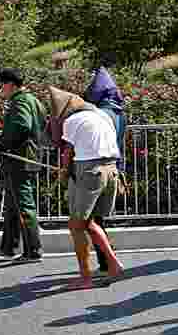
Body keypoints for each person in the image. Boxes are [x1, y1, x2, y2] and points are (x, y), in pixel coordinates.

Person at [48, 87, 124, 289]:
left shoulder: (71, 122)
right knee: (88, 221)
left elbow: (68, 152)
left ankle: (85, 278)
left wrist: (63, 172)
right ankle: (114, 264)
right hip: (111, 170)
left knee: (75, 225)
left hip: (89, 171)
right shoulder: (101, 115)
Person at [0, 69, 46, 262]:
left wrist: (2, 144)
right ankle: (9, 247)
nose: (0, 90)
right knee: (13, 204)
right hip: (27, 157)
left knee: (23, 204)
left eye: (1, 85)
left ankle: (33, 250)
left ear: (10, 84)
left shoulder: (21, 101)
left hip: (19, 159)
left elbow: (22, 126)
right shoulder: (34, 100)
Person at [82, 52, 127, 273]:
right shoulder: (119, 113)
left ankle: (107, 260)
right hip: (113, 168)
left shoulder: (100, 114)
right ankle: (107, 259)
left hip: (95, 168)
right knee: (98, 217)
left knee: (91, 218)